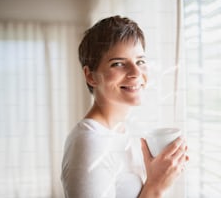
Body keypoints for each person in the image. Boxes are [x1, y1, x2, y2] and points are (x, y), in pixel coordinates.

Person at [61, 15, 188, 198]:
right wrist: (156, 186)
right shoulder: (90, 144)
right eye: (118, 64)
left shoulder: (123, 130)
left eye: (140, 61)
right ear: (91, 76)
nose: (136, 73)